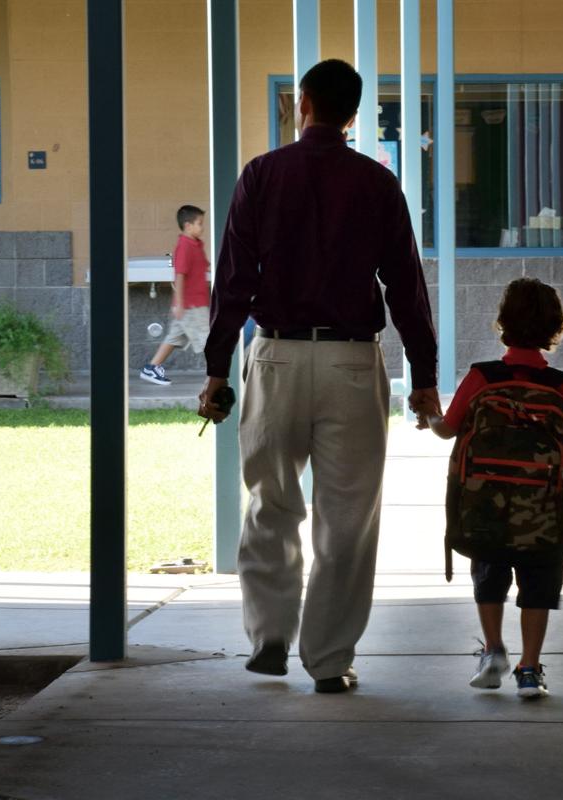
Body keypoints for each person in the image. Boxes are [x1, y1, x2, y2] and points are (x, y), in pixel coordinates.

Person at [197, 59, 441, 694]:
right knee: (348, 516)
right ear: (354, 114)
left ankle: (272, 635)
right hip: (352, 363)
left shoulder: (261, 175)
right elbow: (406, 287)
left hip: (275, 358)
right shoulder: (377, 184)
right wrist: (424, 376)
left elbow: (233, 282)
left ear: (302, 102)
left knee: (271, 503)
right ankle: (329, 660)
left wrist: (216, 370)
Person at [425, 278, 563, 699]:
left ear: (503, 322)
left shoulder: (482, 377)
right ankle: (529, 668)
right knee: (539, 581)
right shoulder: (562, 386)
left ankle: (492, 651)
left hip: (486, 504)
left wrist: (430, 415)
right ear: (555, 327)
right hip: (545, 510)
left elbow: (448, 430)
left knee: (489, 571)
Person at [140, 205, 210, 386]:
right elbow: (180, 275)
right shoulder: (185, 246)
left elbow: (202, 267)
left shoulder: (195, 245)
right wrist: (179, 303)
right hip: (192, 305)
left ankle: (152, 367)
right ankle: (219, 376)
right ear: (188, 225)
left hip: (194, 303)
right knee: (209, 340)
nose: (202, 228)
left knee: (174, 337)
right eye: (199, 224)